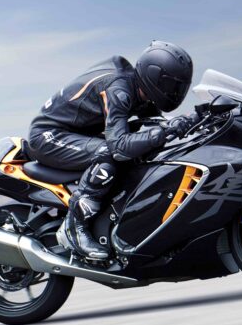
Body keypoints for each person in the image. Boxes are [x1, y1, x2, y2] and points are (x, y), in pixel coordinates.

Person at [28, 41, 197, 261]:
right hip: (48, 135)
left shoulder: (140, 89)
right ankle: (74, 227)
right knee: (109, 153)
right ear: (155, 77)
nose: (175, 91)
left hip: (78, 134)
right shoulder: (119, 89)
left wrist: (193, 120)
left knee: (142, 149)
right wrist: (164, 132)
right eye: (172, 85)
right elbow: (119, 147)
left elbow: (156, 124)